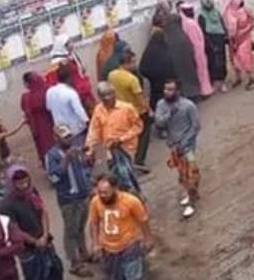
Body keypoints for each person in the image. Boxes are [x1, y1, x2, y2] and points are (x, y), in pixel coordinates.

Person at [0, 167, 79, 280]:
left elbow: (43, 212)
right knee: (34, 278)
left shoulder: (32, 192)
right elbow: (14, 229)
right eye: (19, 183)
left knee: (56, 268)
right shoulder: (6, 204)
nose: (23, 185)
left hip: (44, 238)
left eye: (25, 181)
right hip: (27, 247)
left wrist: (44, 234)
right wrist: (35, 242)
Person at [88, 176, 152, 280]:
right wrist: (95, 243)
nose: (102, 195)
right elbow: (94, 223)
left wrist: (148, 238)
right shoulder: (96, 202)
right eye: (100, 192)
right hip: (108, 246)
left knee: (133, 275)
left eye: (106, 192)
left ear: (116, 189)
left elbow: (143, 220)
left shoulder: (131, 201)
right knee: (116, 275)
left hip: (129, 244)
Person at [43, 125, 94, 278]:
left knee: (80, 226)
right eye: (65, 137)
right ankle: (74, 262)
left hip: (82, 195)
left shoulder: (75, 149)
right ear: (56, 138)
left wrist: (88, 159)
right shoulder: (52, 155)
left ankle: (83, 252)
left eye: (70, 135)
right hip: (68, 199)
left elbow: (85, 169)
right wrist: (66, 160)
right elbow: (53, 178)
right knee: (70, 230)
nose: (69, 139)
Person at [153, 80, 201, 219]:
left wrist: (185, 142)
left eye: (171, 89)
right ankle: (193, 193)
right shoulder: (161, 105)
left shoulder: (188, 106)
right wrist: (169, 114)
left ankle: (191, 203)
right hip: (174, 147)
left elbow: (196, 126)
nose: (167, 92)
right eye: (166, 89)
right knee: (182, 175)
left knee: (192, 172)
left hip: (188, 148)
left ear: (178, 91)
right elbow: (159, 123)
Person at [86, 82, 145, 194]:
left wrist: (121, 139)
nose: (107, 98)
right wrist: (90, 149)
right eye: (103, 95)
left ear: (114, 94)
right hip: (105, 150)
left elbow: (138, 126)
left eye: (109, 94)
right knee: (108, 180)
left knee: (126, 177)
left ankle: (136, 200)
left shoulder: (127, 108)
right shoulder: (98, 109)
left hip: (124, 149)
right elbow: (94, 131)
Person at [108, 50, 151, 169]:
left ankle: (124, 159)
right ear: (127, 63)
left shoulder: (112, 75)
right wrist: (149, 110)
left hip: (120, 111)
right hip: (136, 111)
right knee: (144, 135)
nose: (135, 64)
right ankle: (139, 160)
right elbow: (140, 98)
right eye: (133, 62)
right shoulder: (132, 80)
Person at [45, 63, 89, 145]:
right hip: (76, 131)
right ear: (69, 78)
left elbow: (48, 108)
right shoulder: (70, 93)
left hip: (61, 132)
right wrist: (87, 123)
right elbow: (80, 111)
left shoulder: (49, 92)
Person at [177, 2, 214, 98]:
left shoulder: (187, 22)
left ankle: (205, 90)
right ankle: (204, 91)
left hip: (197, 50)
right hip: (197, 51)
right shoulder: (189, 23)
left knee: (201, 71)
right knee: (201, 71)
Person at [19, 73, 56, 162]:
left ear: (27, 84)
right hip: (51, 123)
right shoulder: (48, 90)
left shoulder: (25, 97)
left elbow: (25, 112)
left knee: (43, 148)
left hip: (37, 128)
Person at [224, 0, 254, 89]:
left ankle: (251, 78)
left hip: (245, 37)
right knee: (234, 59)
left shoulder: (246, 10)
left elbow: (253, 23)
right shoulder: (228, 12)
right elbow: (227, 27)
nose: (240, 1)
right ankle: (238, 77)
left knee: (244, 56)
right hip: (233, 39)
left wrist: (245, 30)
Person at [197, 0, 229, 91]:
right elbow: (202, 32)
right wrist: (209, 44)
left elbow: (222, 24)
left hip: (220, 39)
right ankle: (215, 83)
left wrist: (225, 36)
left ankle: (223, 82)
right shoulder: (201, 16)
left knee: (222, 60)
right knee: (212, 62)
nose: (210, 5)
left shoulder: (216, 12)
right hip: (210, 40)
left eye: (210, 3)